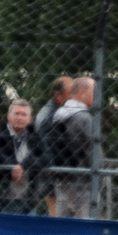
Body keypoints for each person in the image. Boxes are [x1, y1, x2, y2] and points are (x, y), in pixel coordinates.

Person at [0, 99, 47, 214]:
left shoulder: (36, 137)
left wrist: (23, 166)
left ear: (30, 119)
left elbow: (46, 156)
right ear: (8, 116)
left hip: (28, 200)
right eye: (16, 113)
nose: (19, 117)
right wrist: (12, 167)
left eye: (24, 114)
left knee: (26, 231)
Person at [48, 76, 95, 218]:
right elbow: (94, 153)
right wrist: (100, 180)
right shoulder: (85, 118)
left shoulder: (57, 116)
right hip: (84, 185)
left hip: (62, 181)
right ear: (82, 92)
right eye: (93, 91)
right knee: (85, 231)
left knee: (64, 230)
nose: (96, 96)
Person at [35, 76, 72, 214]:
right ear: (58, 96)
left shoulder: (59, 111)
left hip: (59, 172)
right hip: (54, 174)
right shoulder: (50, 115)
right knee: (58, 214)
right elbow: (44, 143)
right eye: (71, 92)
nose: (74, 95)